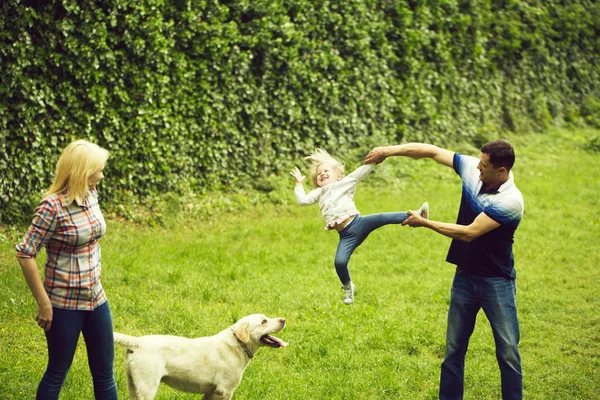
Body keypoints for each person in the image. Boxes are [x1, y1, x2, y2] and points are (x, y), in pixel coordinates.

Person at [366, 140, 524, 399]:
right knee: (453, 351)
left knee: (507, 352)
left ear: (502, 171)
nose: (477, 167)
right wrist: (389, 151)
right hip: (464, 277)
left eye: (484, 165)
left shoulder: (511, 201)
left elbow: (469, 232)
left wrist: (424, 224)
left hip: (497, 282)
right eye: (478, 161)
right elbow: (432, 151)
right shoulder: (475, 171)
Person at [16, 139, 118, 399]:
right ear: (83, 170)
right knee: (57, 371)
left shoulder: (91, 193)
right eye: (98, 169)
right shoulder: (52, 207)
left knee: (105, 372)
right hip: (63, 304)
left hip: (96, 298)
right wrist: (43, 303)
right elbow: (25, 252)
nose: (102, 174)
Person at [290, 148, 429, 305]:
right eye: (319, 174)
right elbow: (302, 200)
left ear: (338, 176)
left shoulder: (344, 183)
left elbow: (360, 172)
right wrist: (299, 183)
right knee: (339, 262)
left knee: (383, 217)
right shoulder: (318, 193)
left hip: (359, 223)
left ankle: (416, 214)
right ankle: (348, 286)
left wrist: (377, 158)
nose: (322, 174)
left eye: (326, 171)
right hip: (346, 235)